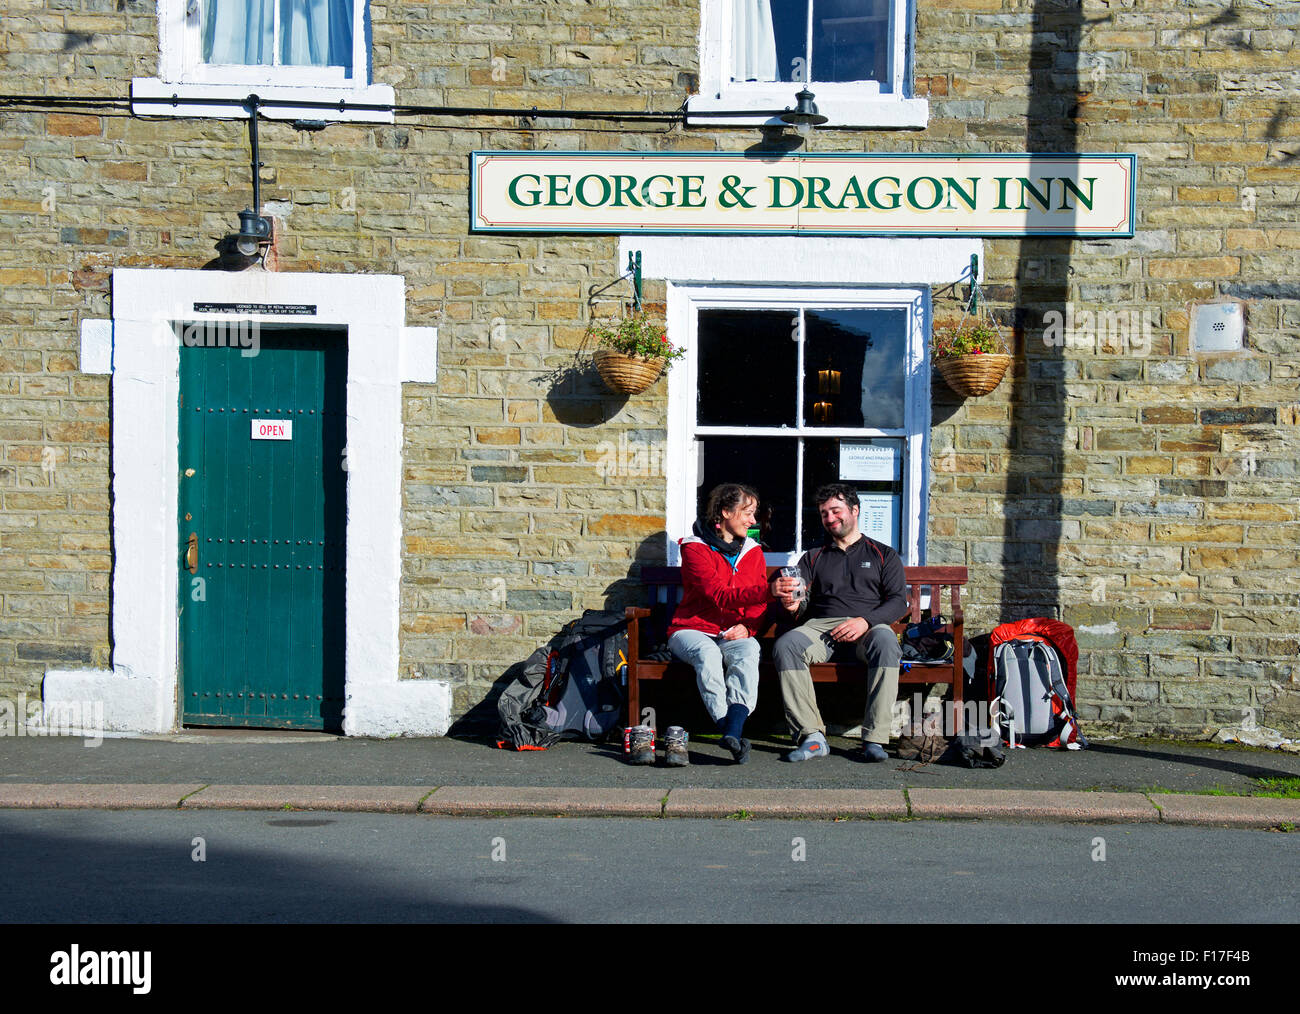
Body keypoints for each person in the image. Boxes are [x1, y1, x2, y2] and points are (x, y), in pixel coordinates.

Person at [772, 483, 906, 763]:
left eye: (836, 510)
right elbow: (799, 604)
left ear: (855, 510)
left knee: (886, 641)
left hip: (867, 629)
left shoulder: (883, 554)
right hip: (821, 628)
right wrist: (793, 605)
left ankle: (874, 739)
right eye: (824, 514)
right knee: (787, 645)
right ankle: (811, 737)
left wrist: (865, 621)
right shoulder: (813, 557)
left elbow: (897, 602)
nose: (830, 518)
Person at [666, 483, 771, 764]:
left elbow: (758, 605)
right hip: (690, 629)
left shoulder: (753, 551)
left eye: (754, 514)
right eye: (747, 513)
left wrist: (750, 628)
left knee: (749, 651)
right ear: (725, 512)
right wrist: (770, 591)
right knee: (708, 653)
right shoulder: (695, 549)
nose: (752, 521)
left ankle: (733, 731)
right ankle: (730, 727)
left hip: (732, 632)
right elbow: (719, 595)